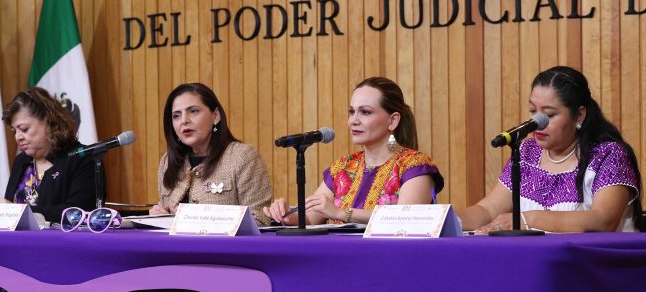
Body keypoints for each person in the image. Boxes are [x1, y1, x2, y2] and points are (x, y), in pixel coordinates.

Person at [459, 66, 644, 233]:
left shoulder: (609, 155)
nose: (536, 123)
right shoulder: (527, 152)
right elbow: (488, 209)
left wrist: (528, 219)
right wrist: (444, 221)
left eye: (549, 115)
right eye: (533, 111)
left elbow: (603, 220)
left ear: (579, 115)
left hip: (595, 265)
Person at [264, 77, 444, 225]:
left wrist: (343, 213)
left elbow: (405, 219)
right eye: (351, 112)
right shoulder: (343, 167)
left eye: (365, 112)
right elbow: (311, 218)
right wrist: (286, 215)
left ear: (393, 121)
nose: (353, 121)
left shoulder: (415, 165)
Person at [149, 83, 272, 225]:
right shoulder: (168, 162)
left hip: (224, 247)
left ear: (216, 116)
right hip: (176, 247)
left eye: (193, 111)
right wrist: (158, 217)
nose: (184, 120)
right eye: (176, 116)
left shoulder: (242, 156)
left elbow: (260, 220)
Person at [0, 87, 101, 223]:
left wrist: (17, 211)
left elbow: (77, 213)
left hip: (63, 242)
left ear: (48, 121)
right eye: (14, 132)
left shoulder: (82, 158)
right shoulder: (21, 161)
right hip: (19, 242)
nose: (18, 137)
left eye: (24, 129)